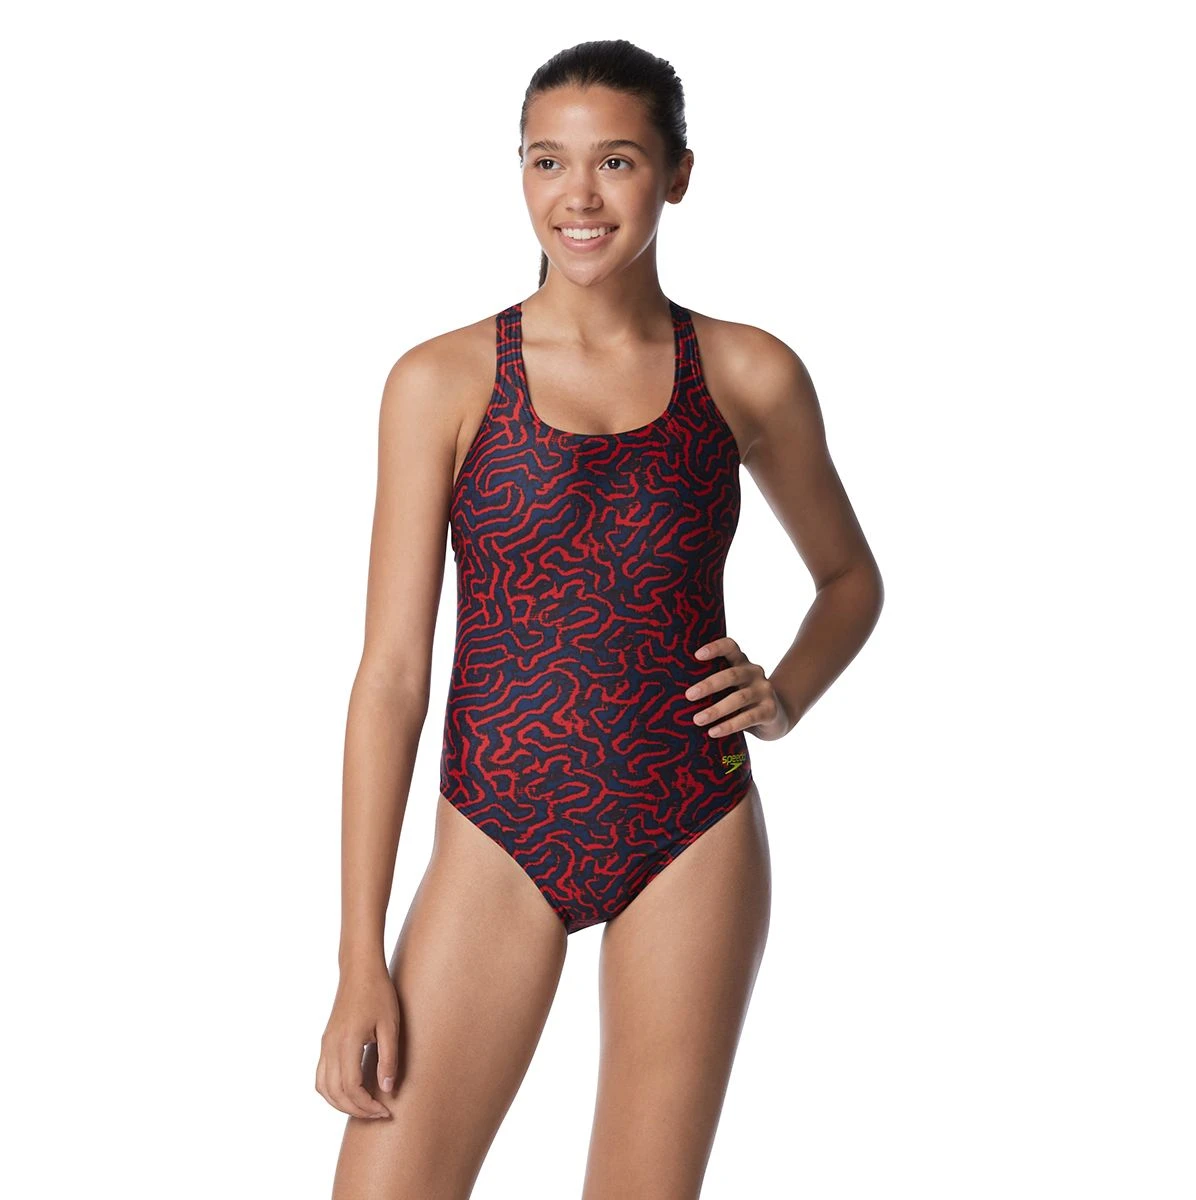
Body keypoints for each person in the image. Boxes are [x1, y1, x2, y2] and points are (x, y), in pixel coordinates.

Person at [318, 38, 884, 1200]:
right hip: (496, 829)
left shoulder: (747, 372)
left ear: (678, 174)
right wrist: (357, 956)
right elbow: (391, 677)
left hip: (691, 826)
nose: (577, 196)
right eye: (548, 161)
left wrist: (784, 696)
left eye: (615, 160)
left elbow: (850, 578)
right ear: (521, 172)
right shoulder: (442, 380)